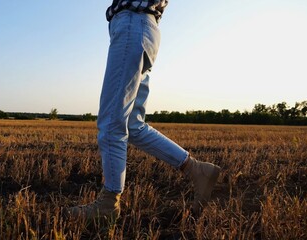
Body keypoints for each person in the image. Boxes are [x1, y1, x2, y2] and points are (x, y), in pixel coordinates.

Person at [68, 0, 221, 221]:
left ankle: (108, 204)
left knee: (112, 122)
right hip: (142, 27)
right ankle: (196, 169)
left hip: (133, 22)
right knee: (132, 124)